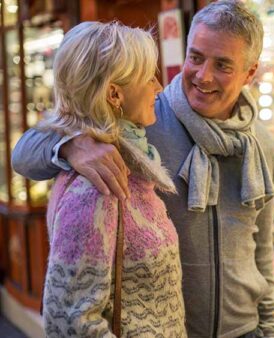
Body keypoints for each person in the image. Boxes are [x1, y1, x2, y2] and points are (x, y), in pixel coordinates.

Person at [12, 1, 274, 337]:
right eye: (195, 57)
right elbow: (23, 154)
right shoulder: (145, 120)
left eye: (223, 65)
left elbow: (262, 246)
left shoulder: (260, 145)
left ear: (250, 72)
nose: (203, 75)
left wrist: (268, 327)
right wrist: (70, 145)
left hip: (245, 330)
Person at [38, 21, 186, 337]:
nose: (158, 86)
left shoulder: (127, 163)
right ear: (114, 93)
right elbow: (70, 323)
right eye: (148, 77)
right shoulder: (98, 187)